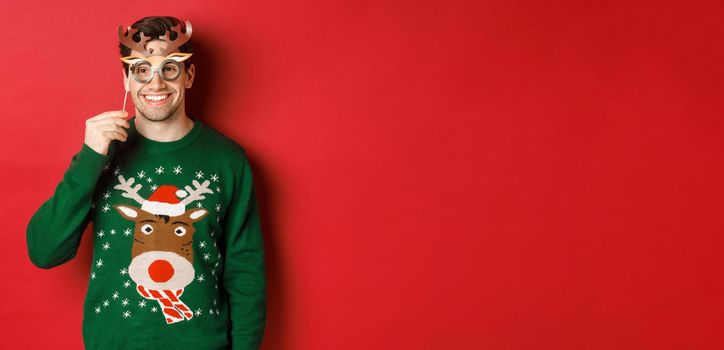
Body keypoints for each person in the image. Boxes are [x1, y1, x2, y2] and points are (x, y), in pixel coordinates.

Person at [25, 16, 267, 349]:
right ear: (126, 79)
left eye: (169, 68)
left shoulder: (228, 161)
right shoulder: (99, 156)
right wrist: (90, 157)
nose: (155, 84)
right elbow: (44, 251)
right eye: (141, 69)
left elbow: (245, 274)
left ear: (189, 76)